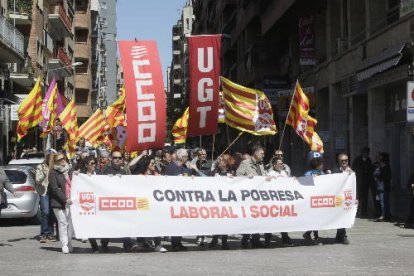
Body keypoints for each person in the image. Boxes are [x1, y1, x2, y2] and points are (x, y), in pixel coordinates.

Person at [100, 150, 134, 252]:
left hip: (122, 202)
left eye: (119, 158)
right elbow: (99, 184)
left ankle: (127, 244)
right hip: (109, 202)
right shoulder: (106, 170)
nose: (117, 160)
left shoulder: (125, 171)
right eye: (115, 158)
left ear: (122, 160)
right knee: (108, 224)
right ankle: (104, 244)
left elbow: (131, 184)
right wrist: (108, 179)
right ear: (111, 159)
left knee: (125, 223)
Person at [134, 155, 167, 253]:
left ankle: (157, 244)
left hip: (154, 203)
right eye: (152, 164)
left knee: (156, 222)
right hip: (142, 202)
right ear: (147, 165)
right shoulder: (139, 177)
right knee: (141, 222)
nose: (154, 165)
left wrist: (165, 179)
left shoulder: (157, 175)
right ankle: (140, 242)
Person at [236, 145, 267, 248]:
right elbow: (238, 176)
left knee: (257, 218)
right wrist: (246, 177)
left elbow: (264, 176)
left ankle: (254, 240)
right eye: (261, 153)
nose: (263, 155)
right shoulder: (245, 163)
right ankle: (247, 240)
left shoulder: (261, 164)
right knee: (250, 218)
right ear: (255, 153)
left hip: (259, 196)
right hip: (249, 196)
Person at [164, 148, 194, 251]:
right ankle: (174, 243)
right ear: (181, 157)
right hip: (173, 200)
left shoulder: (187, 168)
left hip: (184, 200)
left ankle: (179, 242)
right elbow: (166, 182)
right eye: (186, 156)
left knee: (182, 222)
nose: (187, 158)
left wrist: (192, 174)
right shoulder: (170, 167)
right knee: (175, 222)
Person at [48, 152, 74, 254]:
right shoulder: (53, 173)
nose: (63, 160)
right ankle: (64, 244)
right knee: (63, 223)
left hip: (71, 201)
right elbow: (54, 189)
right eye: (60, 159)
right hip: (59, 203)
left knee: (70, 224)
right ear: (56, 162)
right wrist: (65, 199)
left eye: (63, 158)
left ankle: (69, 241)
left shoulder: (71, 170)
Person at [209, 154, 235, 250]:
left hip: (227, 201)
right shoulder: (214, 172)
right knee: (216, 221)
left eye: (221, 161)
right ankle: (215, 238)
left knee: (225, 222)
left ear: (226, 163)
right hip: (216, 201)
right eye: (219, 161)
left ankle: (224, 241)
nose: (219, 162)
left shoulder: (232, 173)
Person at [267, 158, 294, 247]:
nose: (281, 165)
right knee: (271, 220)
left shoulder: (284, 173)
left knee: (283, 220)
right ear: (274, 165)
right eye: (279, 164)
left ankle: (285, 238)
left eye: (282, 164)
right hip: (273, 200)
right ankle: (267, 238)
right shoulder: (270, 173)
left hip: (282, 200)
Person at [303, 151, 325, 244]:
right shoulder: (308, 174)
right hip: (311, 200)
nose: (321, 165)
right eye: (318, 163)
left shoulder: (323, 174)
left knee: (318, 218)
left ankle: (311, 234)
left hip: (319, 200)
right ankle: (313, 235)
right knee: (314, 218)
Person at [35, 151, 57, 243]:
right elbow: (37, 180)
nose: (50, 158)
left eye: (52, 156)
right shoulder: (41, 167)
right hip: (44, 192)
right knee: (45, 211)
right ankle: (44, 234)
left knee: (52, 212)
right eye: (49, 156)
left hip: (54, 192)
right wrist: (44, 174)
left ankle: (50, 233)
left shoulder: (56, 167)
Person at [332, 153, 352, 245]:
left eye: (346, 160)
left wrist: (356, 198)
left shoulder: (352, 172)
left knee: (344, 216)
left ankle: (339, 235)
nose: (344, 162)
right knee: (340, 216)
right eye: (342, 161)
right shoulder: (335, 171)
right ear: (339, 162)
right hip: (338, 198)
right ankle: (343, 236)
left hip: (347, 197)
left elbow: (355, 186)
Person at [352, 147, 375, 218]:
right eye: (364, 153)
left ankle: (364, 212)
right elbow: (354, 168)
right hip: (359, 181)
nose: (366, 154)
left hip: (366, 182)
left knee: (365, 197)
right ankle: (358, 211)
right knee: (359, 197)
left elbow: (370, 170)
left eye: (367, 153)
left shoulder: (369, 160)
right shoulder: (357, 160)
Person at [373, 152, 392, 221]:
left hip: (383, 187)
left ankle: (384, 215)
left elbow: (387, 176)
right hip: (379, 186)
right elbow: (374, 173)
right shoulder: (379, 166)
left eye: (380, 157)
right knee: (380, 200)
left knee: (383, 201)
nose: (378, 158)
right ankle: (383, 214)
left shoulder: (386, 167)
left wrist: (379, 176)